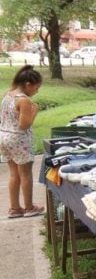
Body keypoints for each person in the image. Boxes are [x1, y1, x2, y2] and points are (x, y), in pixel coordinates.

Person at [0, 65, 44, 218]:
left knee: (14, 174)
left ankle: (14, 208)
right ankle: (29, 207)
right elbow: (24, 125)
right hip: (18, 139)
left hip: (4, 138)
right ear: (28, 85)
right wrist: (34, 111)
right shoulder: (23, 100)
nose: (36, 91)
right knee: (25, 174)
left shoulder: (8, 95)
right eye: (36, 88)